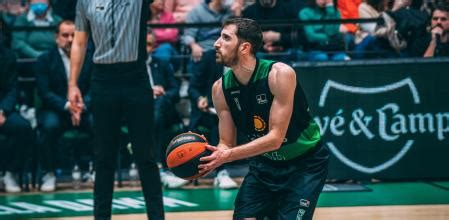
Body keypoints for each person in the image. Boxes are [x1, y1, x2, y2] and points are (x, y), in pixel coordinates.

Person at [198, 18, 329, 219]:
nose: (216, 43)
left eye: (225, 38)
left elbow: (275, 139)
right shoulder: (220, 89)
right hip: (264, 166)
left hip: (304, 164)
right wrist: (214, 157)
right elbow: (226, 142)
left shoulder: (280, 74)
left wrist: (228, 155)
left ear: (244, 47)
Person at [69, 1, 164, 219]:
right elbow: (80, 41)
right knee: (103, 157)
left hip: (136, 78)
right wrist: (72, 84)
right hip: (102, 79)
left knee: (146, 156)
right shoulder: (85, 2)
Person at [35, 20, 93, 192]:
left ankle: (95, 169)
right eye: (65, 35)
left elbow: (95, 87)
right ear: (56, 37)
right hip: (56, 109)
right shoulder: (45, 59)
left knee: (100, 122)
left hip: (83, 108)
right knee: (49, 126)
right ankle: (49, 173)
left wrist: (82, 105)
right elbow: (44, 92)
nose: (70, 39)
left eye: (74, 35)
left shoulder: (89, 57)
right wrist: (68, 106)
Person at [146, 31, 188, 188]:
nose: (145, 48)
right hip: (140, 110)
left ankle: (160, 168)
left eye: (149, 44)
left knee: (161, 106)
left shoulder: (161, 64)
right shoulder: (131, 68)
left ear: (154, 47)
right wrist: (149, 91)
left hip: (163, 110)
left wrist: (162, 92)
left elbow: (175, 91)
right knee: (157, 118)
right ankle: (162, 169)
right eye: (142, 44)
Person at [0, 42, 34, 193]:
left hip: (2, 109)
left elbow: (13, 88)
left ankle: (10, 172)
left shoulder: (8, 55)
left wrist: (3, 110)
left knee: (23, 127)